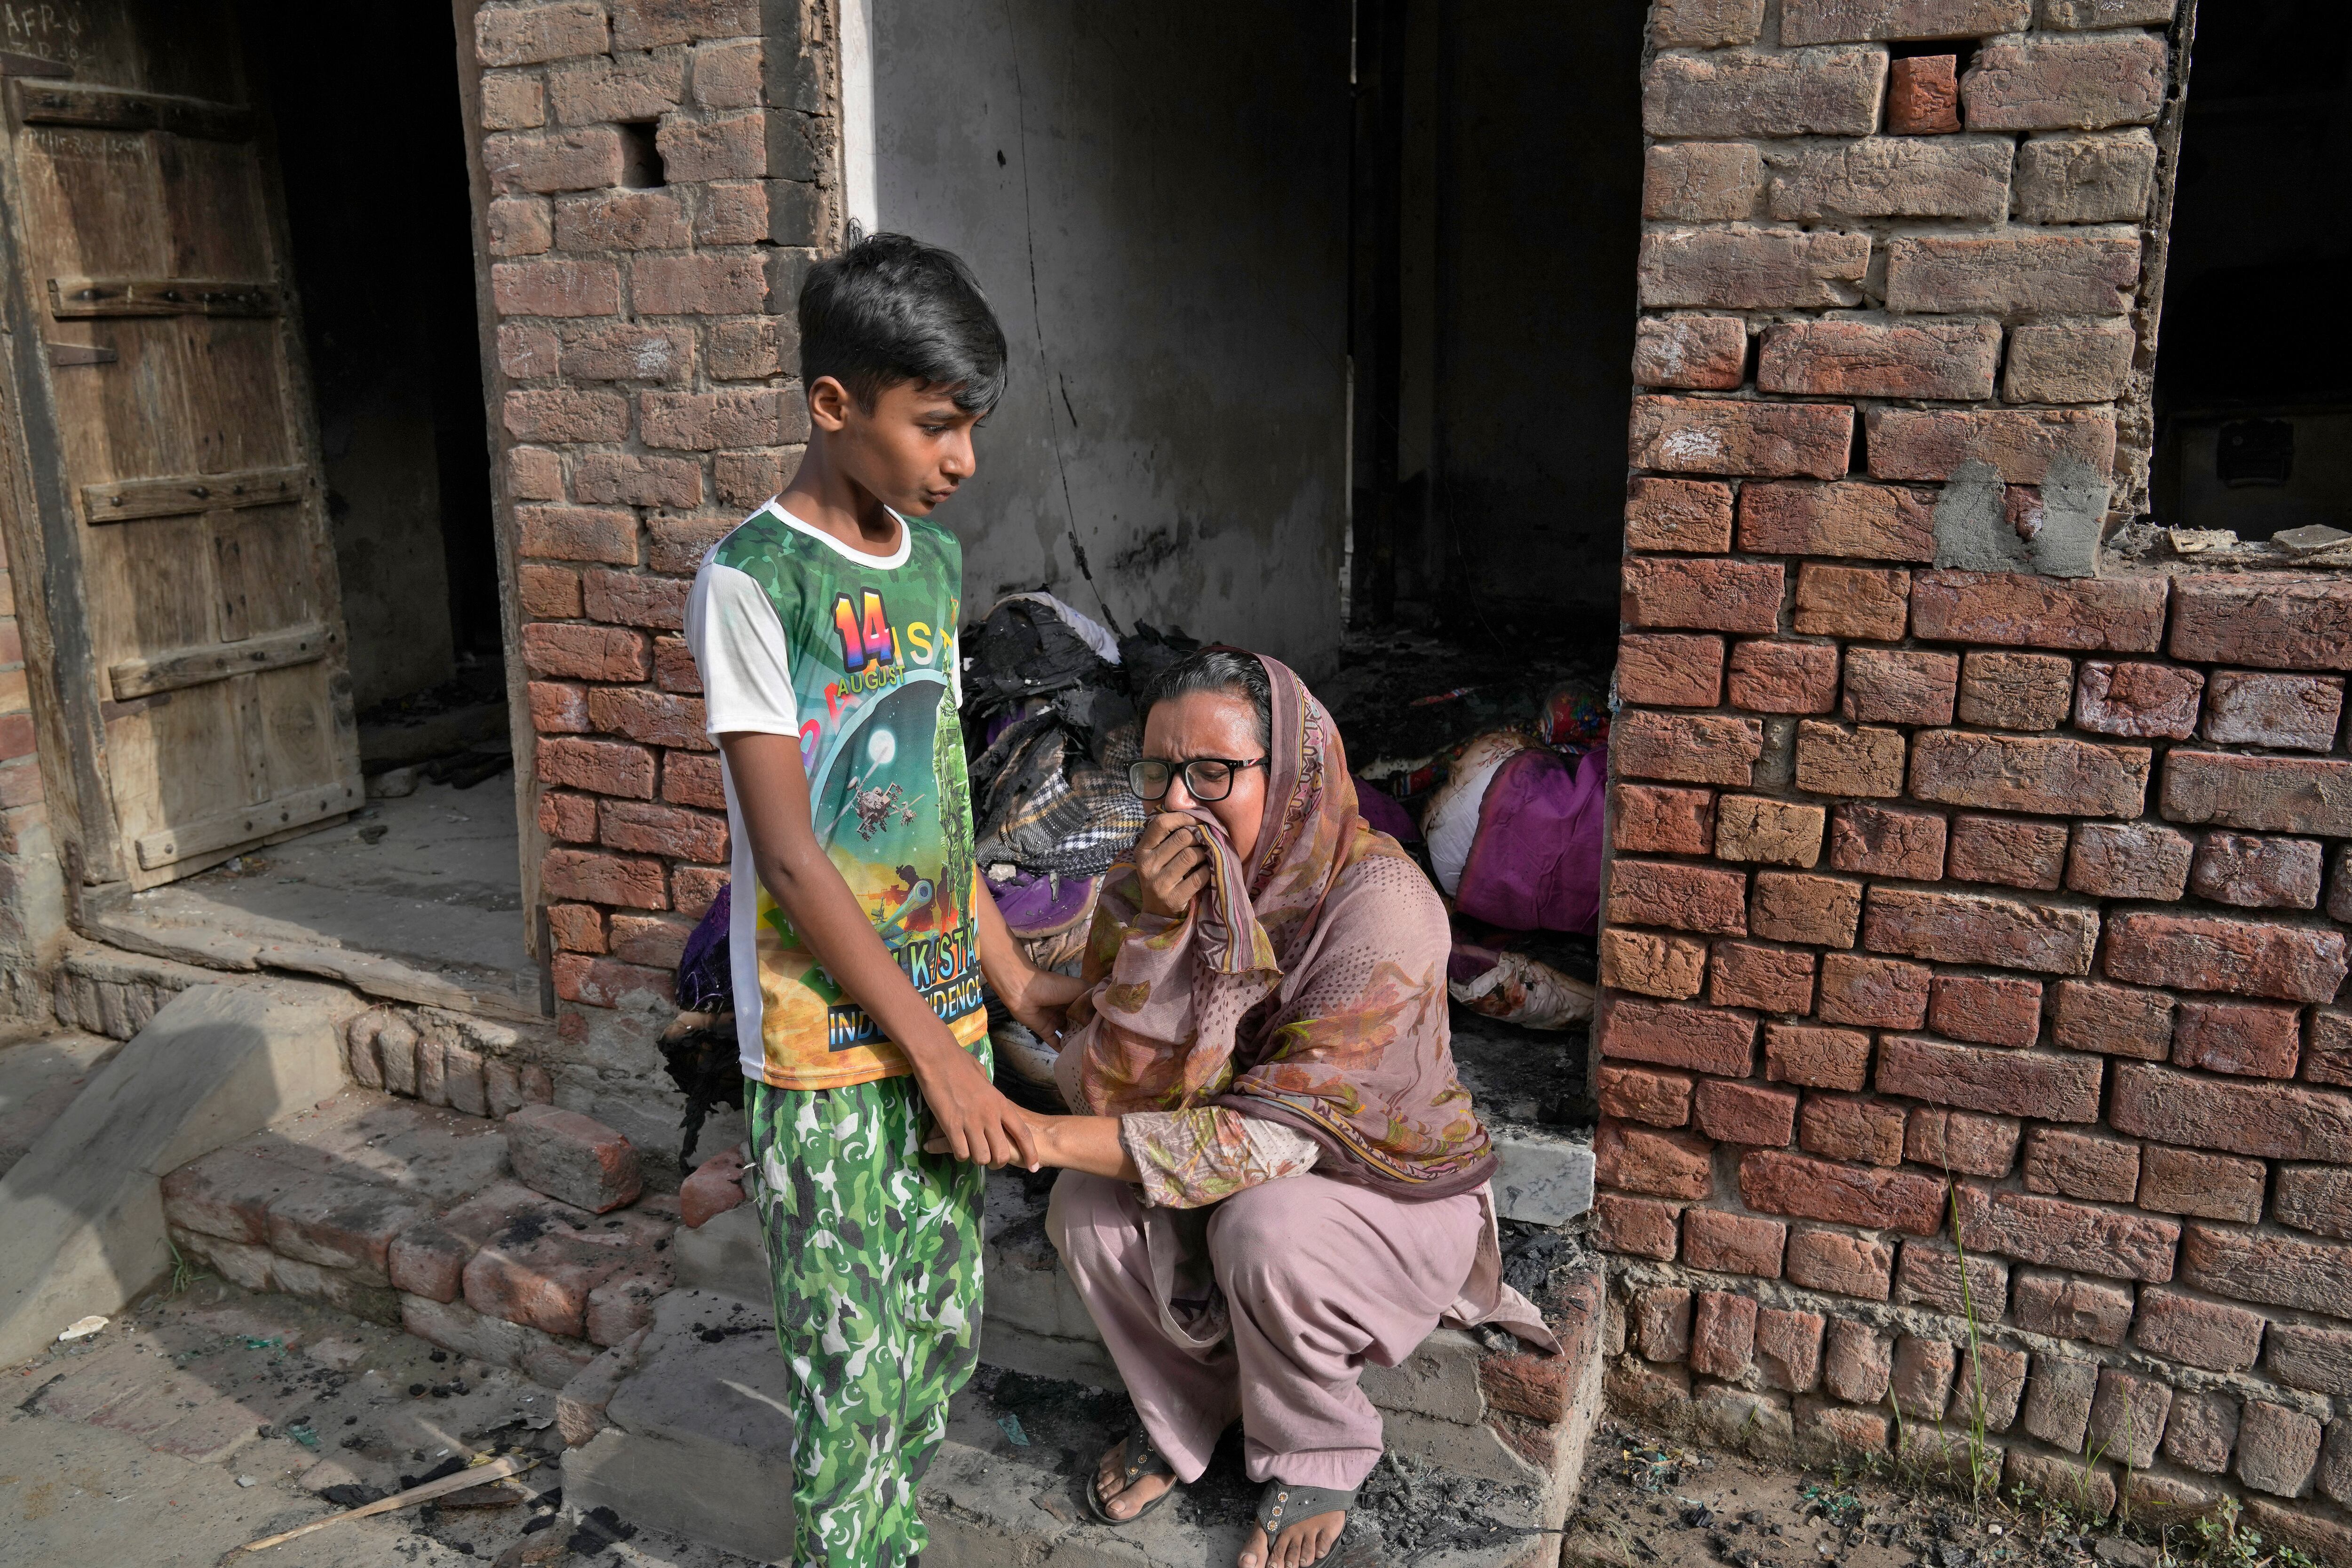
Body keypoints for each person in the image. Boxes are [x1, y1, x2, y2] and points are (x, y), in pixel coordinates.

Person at [949, 647, 1554, 1568]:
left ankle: (1322, 1439)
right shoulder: (1149, 880)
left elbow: (1271, 1140)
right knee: (1085, 1208)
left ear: (1296, 774)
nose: (1178, 805)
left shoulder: (1380, 903)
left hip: (1383, 1183)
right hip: (1224, 1158)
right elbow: (1107, 1084)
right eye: (1158, 772)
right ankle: (1190, 1406)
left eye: (1214, 773)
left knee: (1261, 1228)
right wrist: (1155, 935)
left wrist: (1029, 1133)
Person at [682, 232, 1081, 1568]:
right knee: (846, 1362)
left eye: (971, 423)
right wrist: (943, 1063)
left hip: (948, 1019)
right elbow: (792, 857)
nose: (963, 456)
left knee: (936, 1327)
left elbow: (936, 805)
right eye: (939, 423)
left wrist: (1014, 981)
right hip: (825, 1043)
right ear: (835, 404)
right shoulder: (755, 581)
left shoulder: (929, 564)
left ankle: (886, 1543)